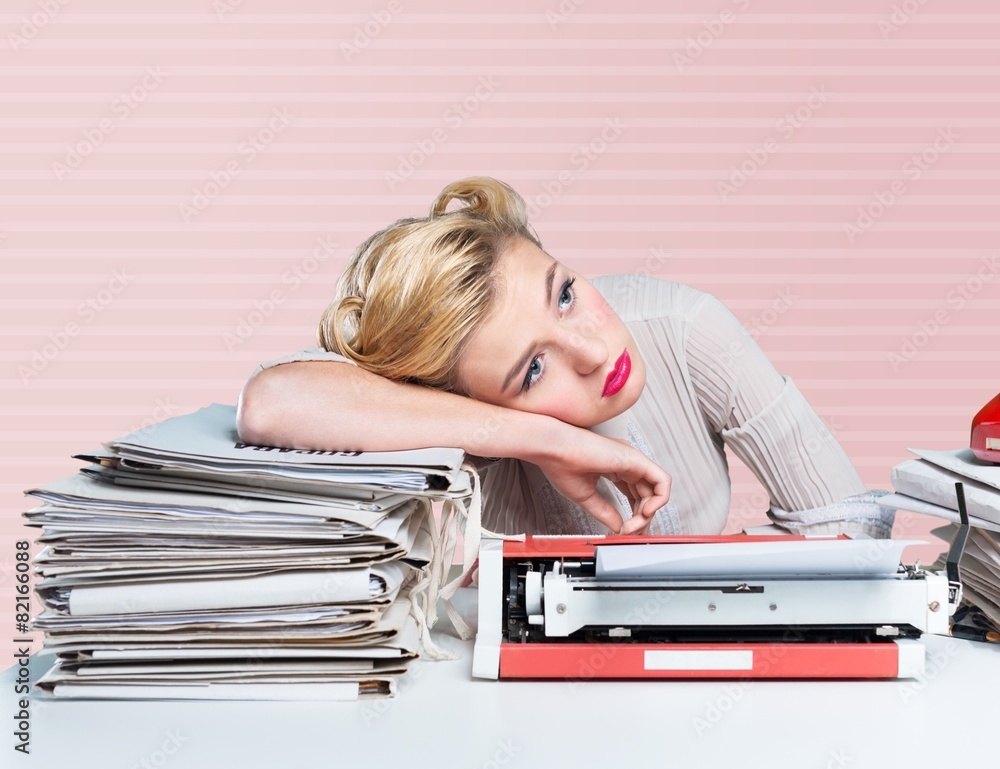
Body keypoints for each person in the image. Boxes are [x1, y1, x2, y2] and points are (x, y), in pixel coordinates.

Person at [236, 176, 895, 540]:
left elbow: (854, 523)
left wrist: (702, 579)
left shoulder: (684, 328)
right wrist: (544, 440)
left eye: (567, 293)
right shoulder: (466, 433)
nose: (590, 350)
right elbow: (270, 402)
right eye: (531, 370)